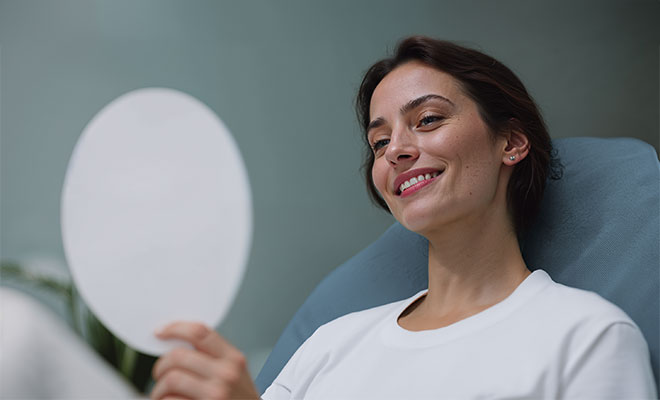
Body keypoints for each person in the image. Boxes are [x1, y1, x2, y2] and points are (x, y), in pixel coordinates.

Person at [150, 36, 657, 399]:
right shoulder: (330, 345)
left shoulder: (587, 338)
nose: (396, 149)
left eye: (428, 119)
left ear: (511, 142)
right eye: (379, 141)